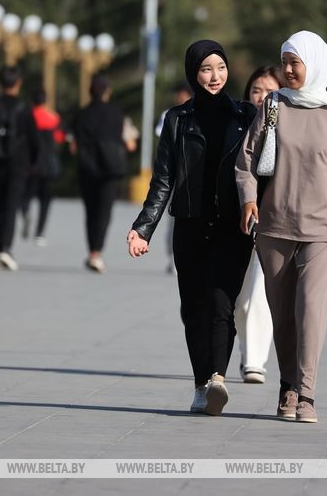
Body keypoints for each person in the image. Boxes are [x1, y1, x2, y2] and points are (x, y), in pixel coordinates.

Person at [236, 30, 327, 423]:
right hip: (276, 221)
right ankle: (288, 386)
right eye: (285, 62)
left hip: (324, 224)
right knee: (282, 313)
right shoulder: (274, 105)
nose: (288, 70)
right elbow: (247, 160)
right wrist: (248, 199)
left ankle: (307, 394)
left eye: (295, 63)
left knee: (311, 308)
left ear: (314, 64)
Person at [128, 40, 256, 416]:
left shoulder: (245, 115)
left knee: (222, 304)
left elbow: (261, 171)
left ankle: (217, 378)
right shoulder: (177, 119)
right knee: (194, 308)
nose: (215, 76)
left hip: (233, 227)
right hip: (190, 225)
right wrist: (143, 227)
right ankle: (201, 384)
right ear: (192, 73)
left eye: (221, 67)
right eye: (205, 69)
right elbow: (163, 179)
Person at [234, 64, 284, 384]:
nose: (262, 97)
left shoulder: (289, 123)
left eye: (270, 91)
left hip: (273, 218)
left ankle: (255, 361)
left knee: (261, 291)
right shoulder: (236, 122)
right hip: (237, 218)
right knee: (240, 299)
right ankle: (245, 350)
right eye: (256, 90)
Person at [0, 65, 39, 271]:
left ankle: (1, 246)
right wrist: (32, 162)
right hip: (18, 164)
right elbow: (34, 139)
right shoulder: (25, 109)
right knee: (10, 206)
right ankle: (6, 249)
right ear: (18, 83)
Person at [73, 75, 136, 273]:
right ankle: (97, 253)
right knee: (104, 212)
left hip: (87, 168)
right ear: (107, 92)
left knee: (91, 212)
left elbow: (73, 145)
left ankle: (93, 251)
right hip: (110, 169)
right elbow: (131, 144)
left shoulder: (81, 114)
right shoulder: (117, 114)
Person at [154, 81, 192, 274]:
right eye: (179, 94)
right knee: (173, 217)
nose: (180, 97)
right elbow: (163, 140)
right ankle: (173, 258)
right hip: (175, 173)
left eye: (184, 93)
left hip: (192, 173)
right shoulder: (169, 115)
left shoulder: (199, 114)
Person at [21, 89, 64, 247]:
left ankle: (25, 212)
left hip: (31, 163)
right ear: (45, 101)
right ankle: (40, 233)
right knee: (45, 200)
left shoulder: (27, 116)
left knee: (26, 195)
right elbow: (59, 138)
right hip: (49, 164)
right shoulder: (54, 117)